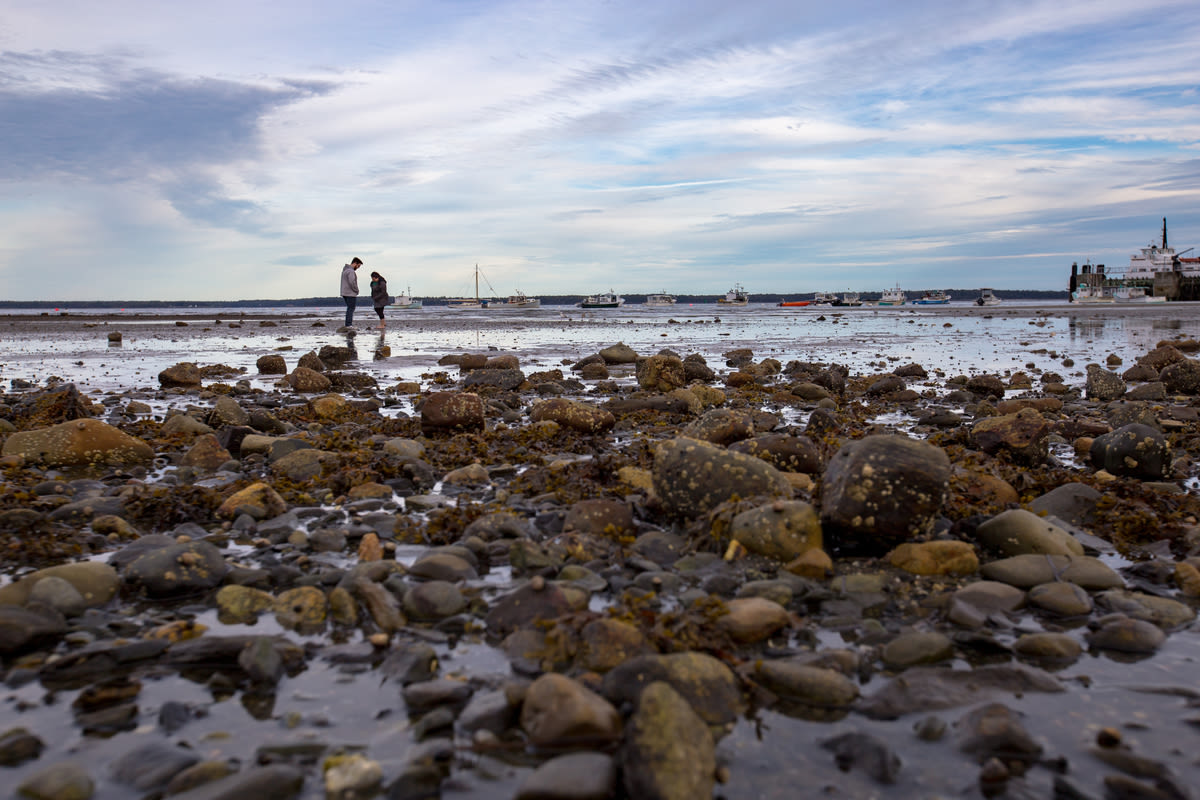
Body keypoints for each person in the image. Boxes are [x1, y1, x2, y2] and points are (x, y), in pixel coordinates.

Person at [340, 257, 362, 327]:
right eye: (358, 266)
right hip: (350, 293)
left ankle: (348, 324)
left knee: (349, 308)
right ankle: (349, 324)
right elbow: (352, 282)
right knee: (351, 308)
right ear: (355, 263)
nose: (358, 268)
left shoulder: (345, 270)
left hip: (344, 292)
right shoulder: (351, 271)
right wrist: (356, 290)